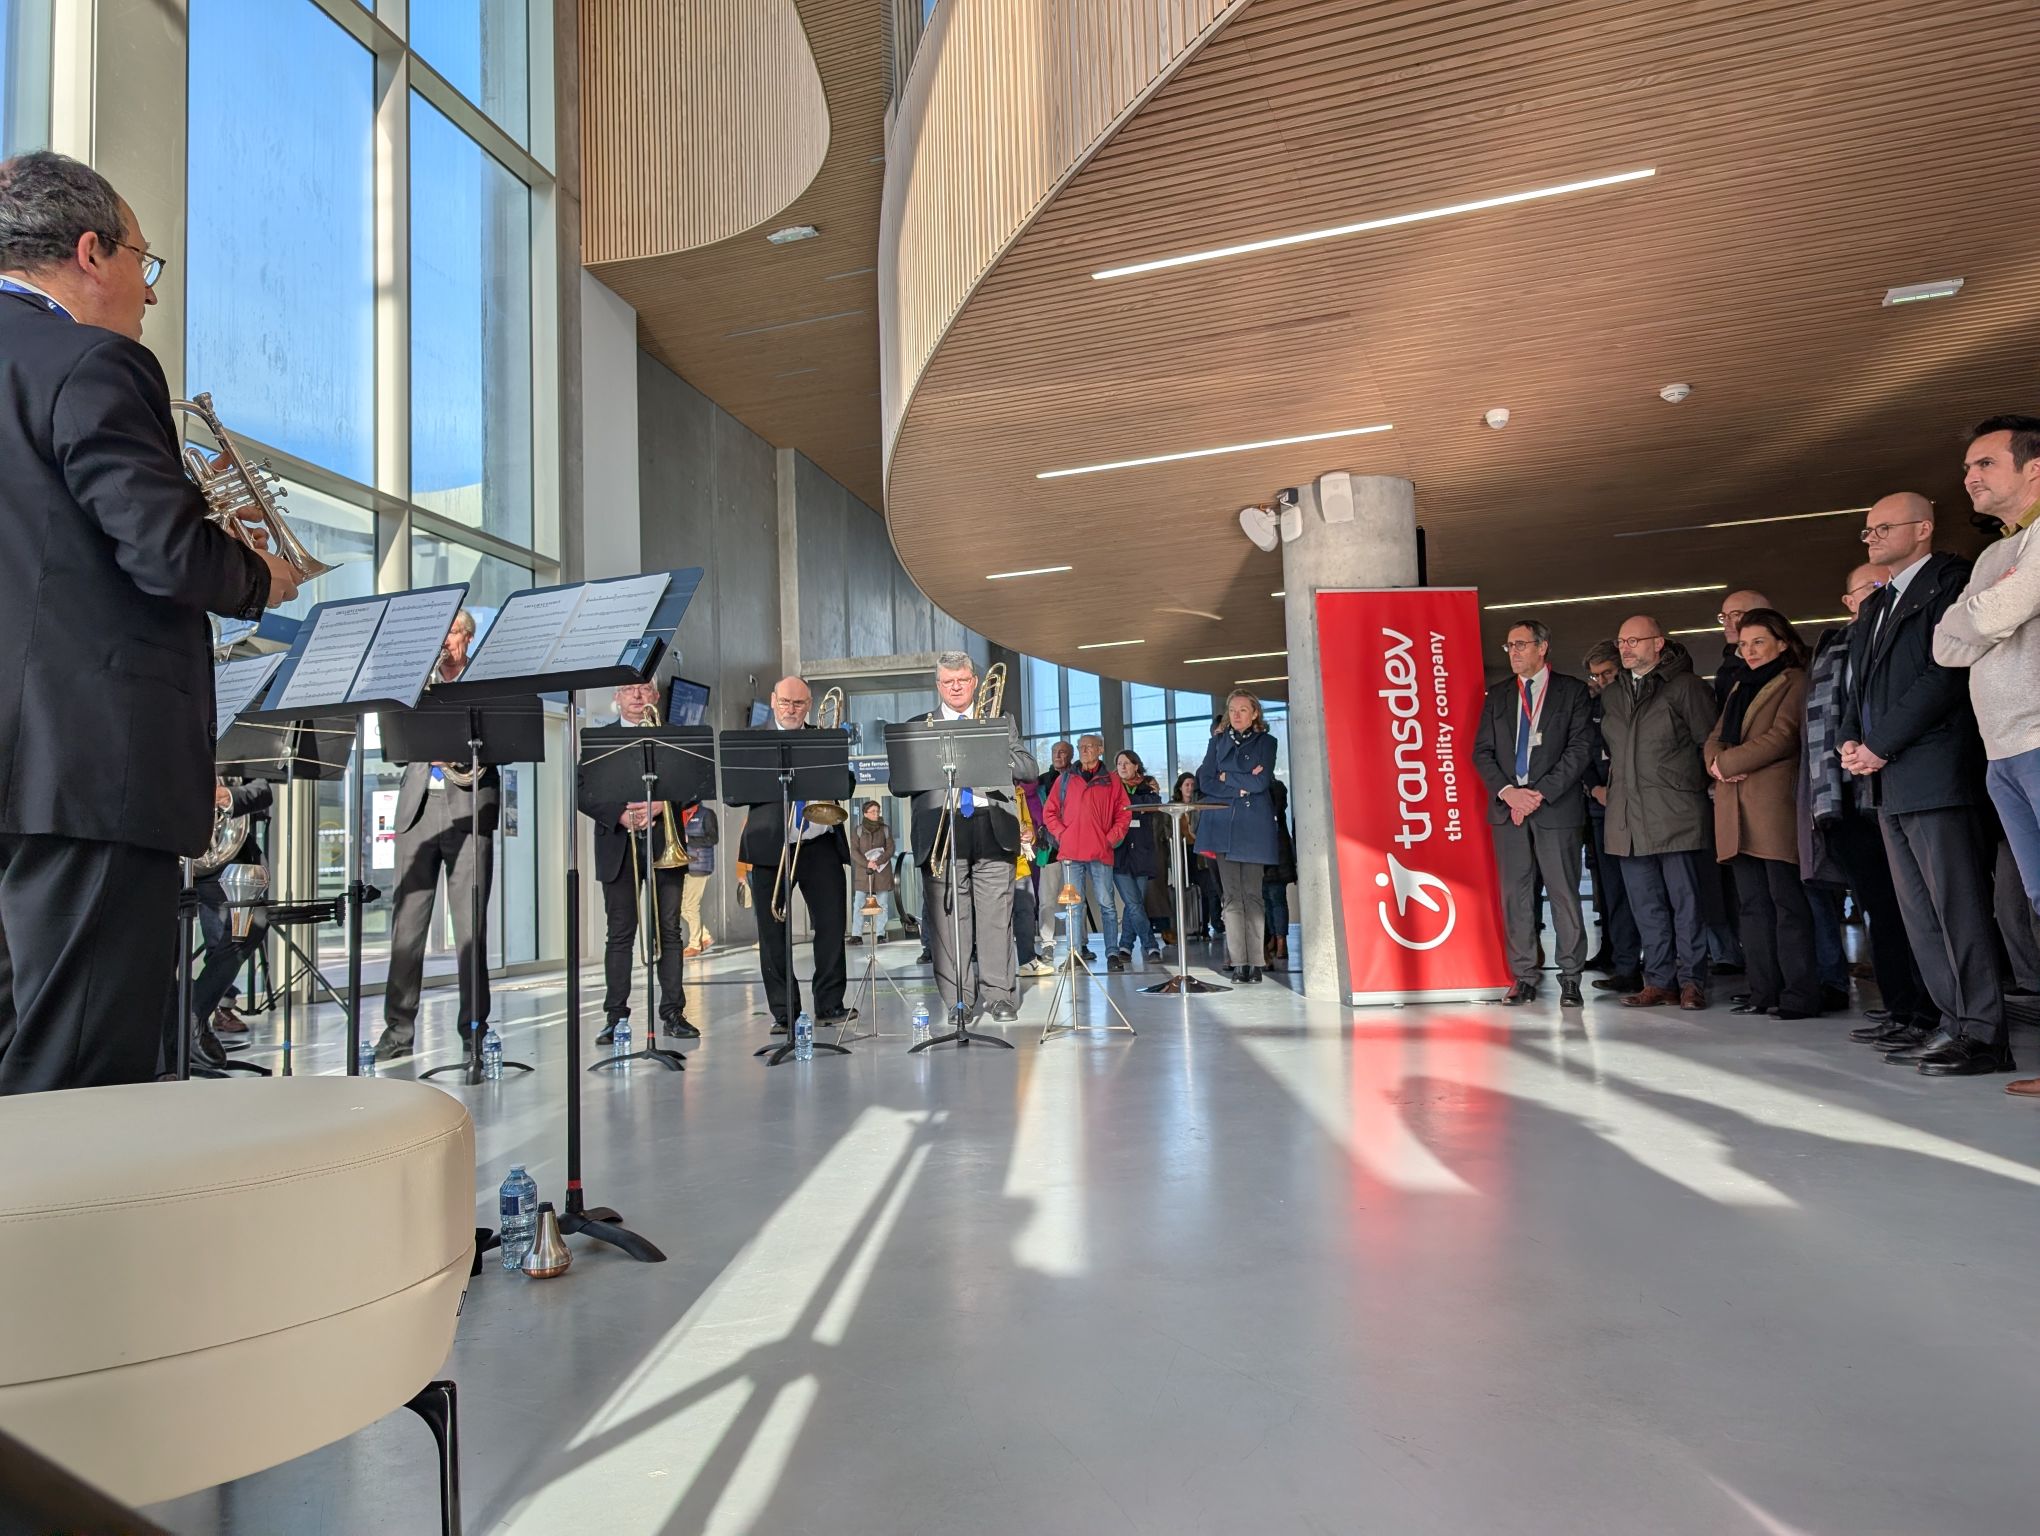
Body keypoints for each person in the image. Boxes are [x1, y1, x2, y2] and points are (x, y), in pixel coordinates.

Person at [0, 152, 297, 1093]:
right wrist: (262, 573)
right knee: (77, 1070)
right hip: (84, 769)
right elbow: (166, 553)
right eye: (143, 261)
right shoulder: (91, 360)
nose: (149, 295)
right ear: (90, 252)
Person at [1843, 494, 2009, 1076]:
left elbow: (1941, 676)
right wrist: (1849, 739)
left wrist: (1878, 744)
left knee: (1956, 906)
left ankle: (1984, 1033)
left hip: (1933, 770)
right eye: (1867, 531)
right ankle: (1949, 1023)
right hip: (1886, 780)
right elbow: (1857, 686)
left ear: (1922, 528)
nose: (1872, 538)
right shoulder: (1879, 602)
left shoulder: (1950, 581)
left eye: (1882, 527)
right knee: (1920, 913)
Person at [1935, 415, 2040, 1095]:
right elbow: (1948, 643)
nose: (1970, 478)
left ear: (2034, 468)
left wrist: (1989, 616)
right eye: (1968, 467)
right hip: (2002, 750)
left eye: (1985, 465)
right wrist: (1990, 614)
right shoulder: (1991, 555)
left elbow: (1990, 619)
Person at [1809, 563, 1933, 1045]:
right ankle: (1900, 1008)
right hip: (1845, 799)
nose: (1882, 595)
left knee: (1914, 907)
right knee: (1878, 909)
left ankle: (1929, 1011)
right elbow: (1825, 725)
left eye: (1886, 586)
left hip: (1891, 788)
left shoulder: (1903, 637)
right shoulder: (1836, 645)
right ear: (1848, 601)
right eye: (1871, 589)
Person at [375, 612, 500, 1063]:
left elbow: (506, 742)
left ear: (467, 638)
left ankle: (474, 1030)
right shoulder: (416, 680)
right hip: (417, 810)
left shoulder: (486, 682)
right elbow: (393, 743)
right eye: (440, 632)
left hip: (468, 808)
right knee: (405, 930)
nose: (444, 641)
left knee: (470, 930)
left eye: (451, 631)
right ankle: (397, 1031)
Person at [1703, 610, 1821, 1019]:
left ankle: (1798, 994)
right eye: (1744, 644)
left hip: (1772, 809)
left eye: (1758, 642)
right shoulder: (1739, 686)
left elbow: (1783, 736)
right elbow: (1714, 737)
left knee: (1786, 902)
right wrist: (1716, 761)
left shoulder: (1795, 681)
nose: (1749, 651)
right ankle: (1762, 991)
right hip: (1735, 811)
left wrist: (1726, 764)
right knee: (1752, 906)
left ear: (1782, 643)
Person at [1472, 619, 1594, 1007]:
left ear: (1542, 647)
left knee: (1563, 894)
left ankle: (1571, 978)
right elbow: (1482, 752)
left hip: (1555, 808)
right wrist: (1510, 793)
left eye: (1521, 644)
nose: (1513, 652)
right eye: (1508, 646)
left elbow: (1579, 750)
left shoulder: (1572, 692)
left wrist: (1538, 794)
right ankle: (1523, 977)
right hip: (1509, 812)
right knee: (1516, 896)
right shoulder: (1497, 696)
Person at [906, 652, 1034, 1022]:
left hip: (991, 822)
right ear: (938, 685)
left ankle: (1000, 997)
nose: (956, 687)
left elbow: (1028, 768)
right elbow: (903, 785)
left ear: (975, 681)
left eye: (962, 679)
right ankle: (957, 1002)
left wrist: (991, 751)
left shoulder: (999, 721)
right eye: (948, 681)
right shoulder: (920, 725)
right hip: (942, 828)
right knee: (948, 920)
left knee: (996, 917)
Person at [1599, 616, 1719, 1010]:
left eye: (1635, 640)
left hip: (1676, 812)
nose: (1627, 648)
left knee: (1686, 903)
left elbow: (1709, 744)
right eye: (1621, 642)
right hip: (1628, 818)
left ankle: (1692, 981)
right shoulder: (1612, 694)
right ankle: (1659, 981)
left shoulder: (1684, 687)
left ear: (1658, 644)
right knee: (1646, 906)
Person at [579, 681, 694, 1046]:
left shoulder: (672, 737)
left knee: (670, 932)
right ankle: (616, 1017)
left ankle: (673, 1013)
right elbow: (583, 791)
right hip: (618, 843)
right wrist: (620, 815)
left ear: (656, 697)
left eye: (645, 690)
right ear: (616, 697)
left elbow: (694, 784)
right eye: (629, 690)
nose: (638, 696)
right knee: (620, 933)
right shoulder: (601, 740)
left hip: (664, 841)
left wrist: (664, 805)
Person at [740, 675, 851, 1033]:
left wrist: (828, 767)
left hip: (819, 843)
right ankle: (785, 1012)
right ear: (773, 701)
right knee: (772, 934)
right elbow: (735, 792)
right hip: (772, 846)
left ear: (810, 704)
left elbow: (846, 785)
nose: (791, 709)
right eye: (785, 702)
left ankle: (830, 1003)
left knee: (832, 927)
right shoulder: (752, 742)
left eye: (799, 703)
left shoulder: (822, 736)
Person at [189, 776, 274, 1065]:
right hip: (170, 850)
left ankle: (194, 1013)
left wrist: (227, 795)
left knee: (250, 928)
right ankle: (173, 1039)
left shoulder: (239, 741)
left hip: (226, 856)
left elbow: (262, 792)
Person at [1197, 690, 1281, 983]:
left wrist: (1226, 776)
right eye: (1232, 709)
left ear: (1255, 713)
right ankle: (1239, 962)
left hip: (1253, 827)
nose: (1236, 715)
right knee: (1231, 897)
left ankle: (1256, 962)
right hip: (1221, 826)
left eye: (1243, 710)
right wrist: (1237, 784)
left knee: (1252, 895)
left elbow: (1260, 781)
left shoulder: (1267, 743)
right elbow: (1205, 780)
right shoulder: (1217, 742)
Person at [1581, 641, 1644, 991]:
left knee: (1645, 891)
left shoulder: (1638, 701)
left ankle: (1662, 966)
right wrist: (1594, 789)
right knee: (1611, 891)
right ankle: (1623, 964)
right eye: (1596, 675)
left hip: (1638, 807)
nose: (1603, 680)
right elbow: (1584, 753)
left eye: (1609, 673)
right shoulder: (1593, 708)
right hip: (1601, 808)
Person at [1042, 734, 1129, 966]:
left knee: (1107, 904)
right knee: (1073, 905)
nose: (1084, 751)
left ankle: (1112, 953)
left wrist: (1109, 839)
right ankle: (1074, 953)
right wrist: (1063, 834)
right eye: (1081, 747)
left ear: (1100, 749)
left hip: (1101, 852)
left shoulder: (1111, 780)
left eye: (1089, 747)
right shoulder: (1065, 780)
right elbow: (1049, 812)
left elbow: (1124, 813)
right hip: (1071, 853)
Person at [1111, 749, 1165, 967]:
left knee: (1135, 903)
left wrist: (1130, 804)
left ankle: (1125, 945)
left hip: (1142, 853)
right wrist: (1135, 805)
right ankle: (1151, 945)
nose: (1123, 767)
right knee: (1133, 903)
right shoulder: (1112, 787)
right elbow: (1117, 808)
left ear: (1136, 766)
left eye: (1127, 763)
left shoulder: (1148, 786)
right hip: (1119, 854)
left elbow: (1154, 805)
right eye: (1119, 763)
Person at [1032, 739, 1074, 948]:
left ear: (1070, 756)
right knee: (1046, 899)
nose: (1058, 755)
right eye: (1055, 752)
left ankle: (1078, 943)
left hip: (1073, 845)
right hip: (1047, 847)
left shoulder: (1077, 780)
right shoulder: (1040, 782)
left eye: (1062, 752)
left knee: (1075, 899)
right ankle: (1047, 941)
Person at [848, 798, 895, 943]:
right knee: (859, 905)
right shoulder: (858, 830)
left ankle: (880, 934)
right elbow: (854, 851)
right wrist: (867, 863)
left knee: (882, 905)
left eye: (877, 811)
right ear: (865, 813)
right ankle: (857, 935)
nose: (876, 814)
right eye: (873, 811)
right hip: (864, 873)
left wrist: (878, 862)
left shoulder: (885, 829)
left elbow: (890, 848)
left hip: (882, 872)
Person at [1262, 777, 1297, 967]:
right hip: (1279, 852)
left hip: (1269, 853)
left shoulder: (1266, 789)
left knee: (1272, 899)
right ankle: (1279, 940)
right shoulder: (1278, 788)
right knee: (1274, 899)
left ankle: (1278, 940)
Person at [678, 799, 718, 956]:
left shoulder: (706, 814)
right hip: (685, 866)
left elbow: (713, 839)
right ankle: (705, 936)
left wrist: (689, 840)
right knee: (681, 906)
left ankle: (695, 944)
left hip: (700, 866)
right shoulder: (681, 814)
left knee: (691, 905)